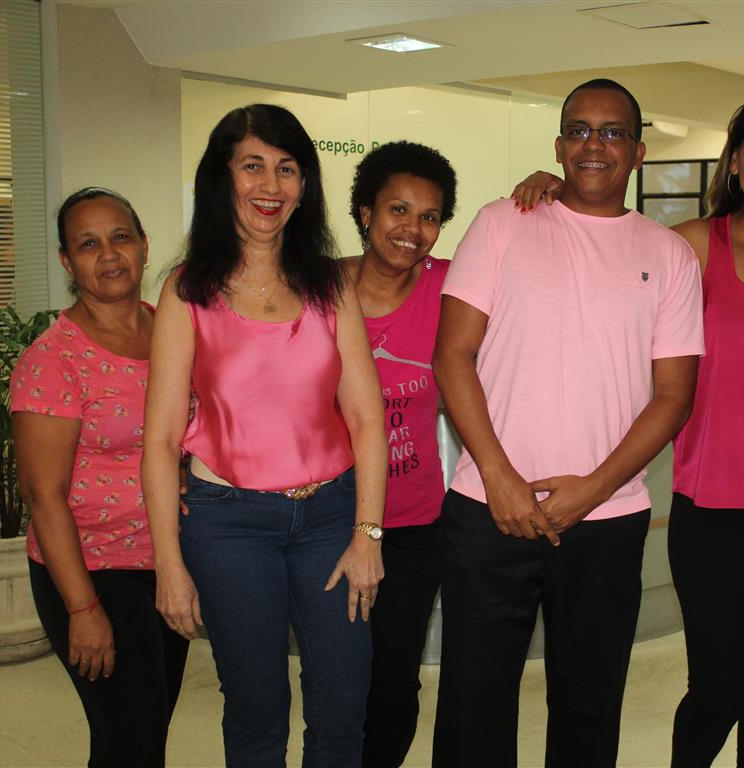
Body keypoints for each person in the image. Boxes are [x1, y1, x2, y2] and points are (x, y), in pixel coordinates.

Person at [513, 90, 744, 767]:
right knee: (720, 686)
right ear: (735, 161)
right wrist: (559, 192)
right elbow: (608, 256)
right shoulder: (692, 247)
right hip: (713, 505)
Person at [432, 78, 704, 768]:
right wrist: (500, 477)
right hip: (488, 510)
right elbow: (452, 355)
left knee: (589, 707)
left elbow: (673, 396)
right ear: (558, 146)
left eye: (612, 132)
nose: (594, 145)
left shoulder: (669, 255)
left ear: (638, 152)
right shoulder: (502, 223)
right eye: (579, 130)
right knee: (472, 707)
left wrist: (592, 490)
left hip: (606, 522)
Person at [142, 104, 387, 767]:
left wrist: (368, 535)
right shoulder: (187, 292)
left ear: (304, 186)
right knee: (255, 710)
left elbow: (367, 418)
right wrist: (169, 565)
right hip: (228, 526)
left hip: (332, 519)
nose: (270, 186)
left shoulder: (330, 289)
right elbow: (161, 441)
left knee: (344, 702)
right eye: (252, 166)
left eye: (287, 169)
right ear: (223, 178)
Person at [12, 187, 188, 767]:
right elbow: (43, 496)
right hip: (91, 567)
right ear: (67, 262)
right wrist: (83, 610)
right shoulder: (53, 359)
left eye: (120, 238)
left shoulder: (172, 330)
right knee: (135, 741)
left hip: (163, 561)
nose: (109, 255)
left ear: (144, 246)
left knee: (136, 737)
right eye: (88, 245)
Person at [344, 141, 457, 768]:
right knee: (336, 681)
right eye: (397, 209)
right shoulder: (317, 286)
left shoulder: (450, 286)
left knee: (393, 684)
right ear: (365, 212)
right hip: (326, 522)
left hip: (413, 528)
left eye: (430, 216)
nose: (412, 228)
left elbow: (533, 260)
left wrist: (545, 194)